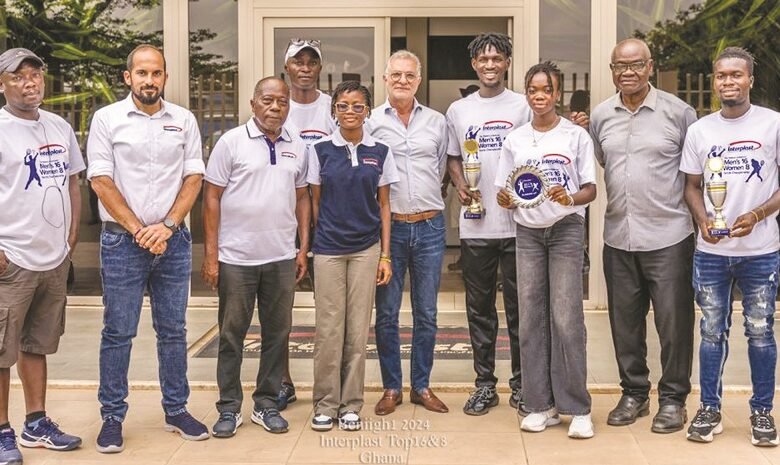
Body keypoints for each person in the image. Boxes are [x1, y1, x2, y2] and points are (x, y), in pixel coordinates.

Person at [446, 32, 588, 416]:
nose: (489, 65)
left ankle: (524, 385)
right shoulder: (459, 111)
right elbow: (454, 158)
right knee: (478, 309)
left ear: (507, 62)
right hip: (477, 224)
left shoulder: (524, 105)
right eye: (483, 59)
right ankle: (484, 384)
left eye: (497, 58)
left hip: (518, 227)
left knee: (522, 310)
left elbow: (549, 133)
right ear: (474, 65)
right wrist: (462, 185)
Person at [87, 44, 208, 453]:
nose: (149, 80)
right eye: (142, 73)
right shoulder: (107, 119)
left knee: (173, 331)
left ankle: (176, 409)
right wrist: (140, 230)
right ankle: (112, 416)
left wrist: (168, 226)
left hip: (173, 241)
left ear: (165, 78)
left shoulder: (184, 120)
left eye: (156, 73)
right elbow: (101, 180)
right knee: (118, 331)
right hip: (123, 241)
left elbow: (194, 177)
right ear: (128, 78)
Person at [589, 38, 697, 433]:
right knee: (624, 324)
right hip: (618, 236)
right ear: (612, 70)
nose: (628, 72)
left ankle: (673, 400)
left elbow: (694, 174)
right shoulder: (601, 116)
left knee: (674, 324)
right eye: (620, 66)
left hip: (669, 237)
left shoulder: (679, 113)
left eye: (635, 65)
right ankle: (634, 393)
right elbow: (603, 163)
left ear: (650, 66)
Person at [681, 47, 780, 447]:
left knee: (760, 331)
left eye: (736, 75)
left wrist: (756, 216)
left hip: (760, 251)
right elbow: (691, 186)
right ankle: (709, 408)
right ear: (714, 80)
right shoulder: (700, 131)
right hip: (712, 254)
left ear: (750, 80)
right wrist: (703, 220)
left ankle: (762, 412)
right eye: (721, 75)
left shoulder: (773, 125)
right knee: (710, 332)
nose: (728, 82)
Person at [201, 77, 310, 438]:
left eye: (282, 101)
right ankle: (229, 408)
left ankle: (266, 404)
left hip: (280, 256)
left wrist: (302, 246)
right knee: (232, 335)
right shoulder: (231, 143)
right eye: (267, 100)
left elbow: (303, 197)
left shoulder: (297, 145)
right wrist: (212, 256)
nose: (275, 107)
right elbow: (211, 197)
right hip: (237, 259)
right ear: (253, 103)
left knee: (278, 335)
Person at [496, 61, 597, 439]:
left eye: (547, 90)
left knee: (566, 318)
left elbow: (590, 189)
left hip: (565, 229)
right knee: (531, 318)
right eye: (533, 90)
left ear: (557, 94)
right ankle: (541, 405)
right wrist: (505, 198)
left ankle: (578, 407)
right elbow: (503, 189)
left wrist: (569, 196)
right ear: (527, 94)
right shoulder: (516, 138)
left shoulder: (575, 136)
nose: (540, 96)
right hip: (527, 233)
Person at [0, 47, 83, 464]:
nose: (29, 82)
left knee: (37, 344)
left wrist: (70, 238)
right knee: (1, 350)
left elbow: (73, 183)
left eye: (34, 75)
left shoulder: (59, 126)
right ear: (2, 84)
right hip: (10, 260)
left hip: (53, 259)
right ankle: (1, 432)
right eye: (18, 76)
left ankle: (36, 423)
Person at [309, 81, 398, 431]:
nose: (350, 112)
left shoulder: (381, 151)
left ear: (368, 111)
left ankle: (350, 404)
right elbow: (314, 202)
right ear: (333, 110)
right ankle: (325, 404)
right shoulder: (319, 151)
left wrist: (385, 255)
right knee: (329, 329)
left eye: (358, 106)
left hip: (366, 250)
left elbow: (386, 205)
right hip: (329, 250)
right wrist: (316, 241)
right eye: (343, 105)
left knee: (358, 330)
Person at [369, 50, 449, 416]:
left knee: (427, 312)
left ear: (419, 79)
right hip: (391, 229)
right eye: (396, 74)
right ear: (385, 79)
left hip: (431, 227)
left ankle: (421, 386)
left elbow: (441, 168)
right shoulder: (370, 123)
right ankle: (391, 387)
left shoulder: (436, 121)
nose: (402, 80)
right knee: (386, 314)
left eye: (409, 75)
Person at [276, 37, 337, 411]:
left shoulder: (333, 108)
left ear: (319, 68)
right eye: (297, 61)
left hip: (329, 219)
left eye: (311, 62)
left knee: (329, 309)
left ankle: (329, 386)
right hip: (284, 218)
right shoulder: (276, 107)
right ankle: (282, 381)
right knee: (280, 306)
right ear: (287, 67)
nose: (304, 68)